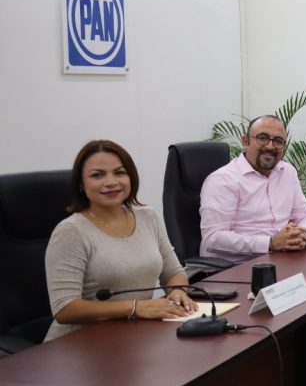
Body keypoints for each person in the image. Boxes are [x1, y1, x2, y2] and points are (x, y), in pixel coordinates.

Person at [44, 140, 197, 341]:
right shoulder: (71, 231)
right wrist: (135, 307)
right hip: (79, 344)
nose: (111, 182)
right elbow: (64, 308)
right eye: (97, 175)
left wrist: (177, 292)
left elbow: (174, 273)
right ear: (81, 184)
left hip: (134, 335)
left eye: (119, 173)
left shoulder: (148, 217)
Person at [200, 115, 306, 261]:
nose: (270, 146)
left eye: (278, 141)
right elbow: (213, 238)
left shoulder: (288, 172)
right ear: (245, 141)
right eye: (262, 138)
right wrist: (270, 243)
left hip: (281, 259)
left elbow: (305, 217)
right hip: (235, 266)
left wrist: (303, 235)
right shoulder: (223, 180)